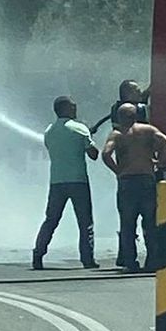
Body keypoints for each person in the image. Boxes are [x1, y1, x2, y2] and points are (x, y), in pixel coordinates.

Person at [102, 102, 166, 272]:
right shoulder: (148, 130)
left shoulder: (117, 134)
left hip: (127, 181)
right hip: (146, 179)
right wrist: (159, 162)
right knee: (150, 223)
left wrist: (118, 171)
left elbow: (105, 154)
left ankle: (130, 262)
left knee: (127, 224)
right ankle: (152, 262)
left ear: (119, 117)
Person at [33, 96, 100, 270]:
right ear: (65, 109)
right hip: (78, 181)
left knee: (51, 220)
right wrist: (89, 139)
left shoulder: (49, 131)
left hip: (57, 182)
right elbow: (93, 154)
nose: (75, 107)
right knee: (85, 223)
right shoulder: (80, 128)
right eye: (72, 105)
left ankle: (38, 255)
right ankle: (88, 259)